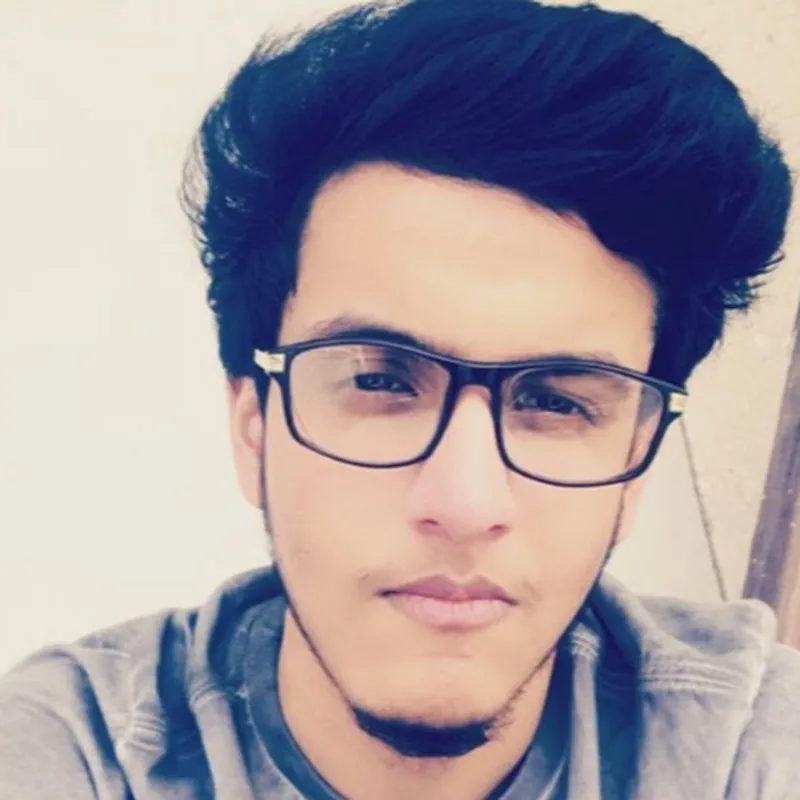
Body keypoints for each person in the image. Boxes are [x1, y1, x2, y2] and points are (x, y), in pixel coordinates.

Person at [1, 0, 797, 797]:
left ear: (635, 461)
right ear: (253, 428)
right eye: (380, 381)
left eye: (556, 402)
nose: (465, 505)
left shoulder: (745, 743)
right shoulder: (78, 751)